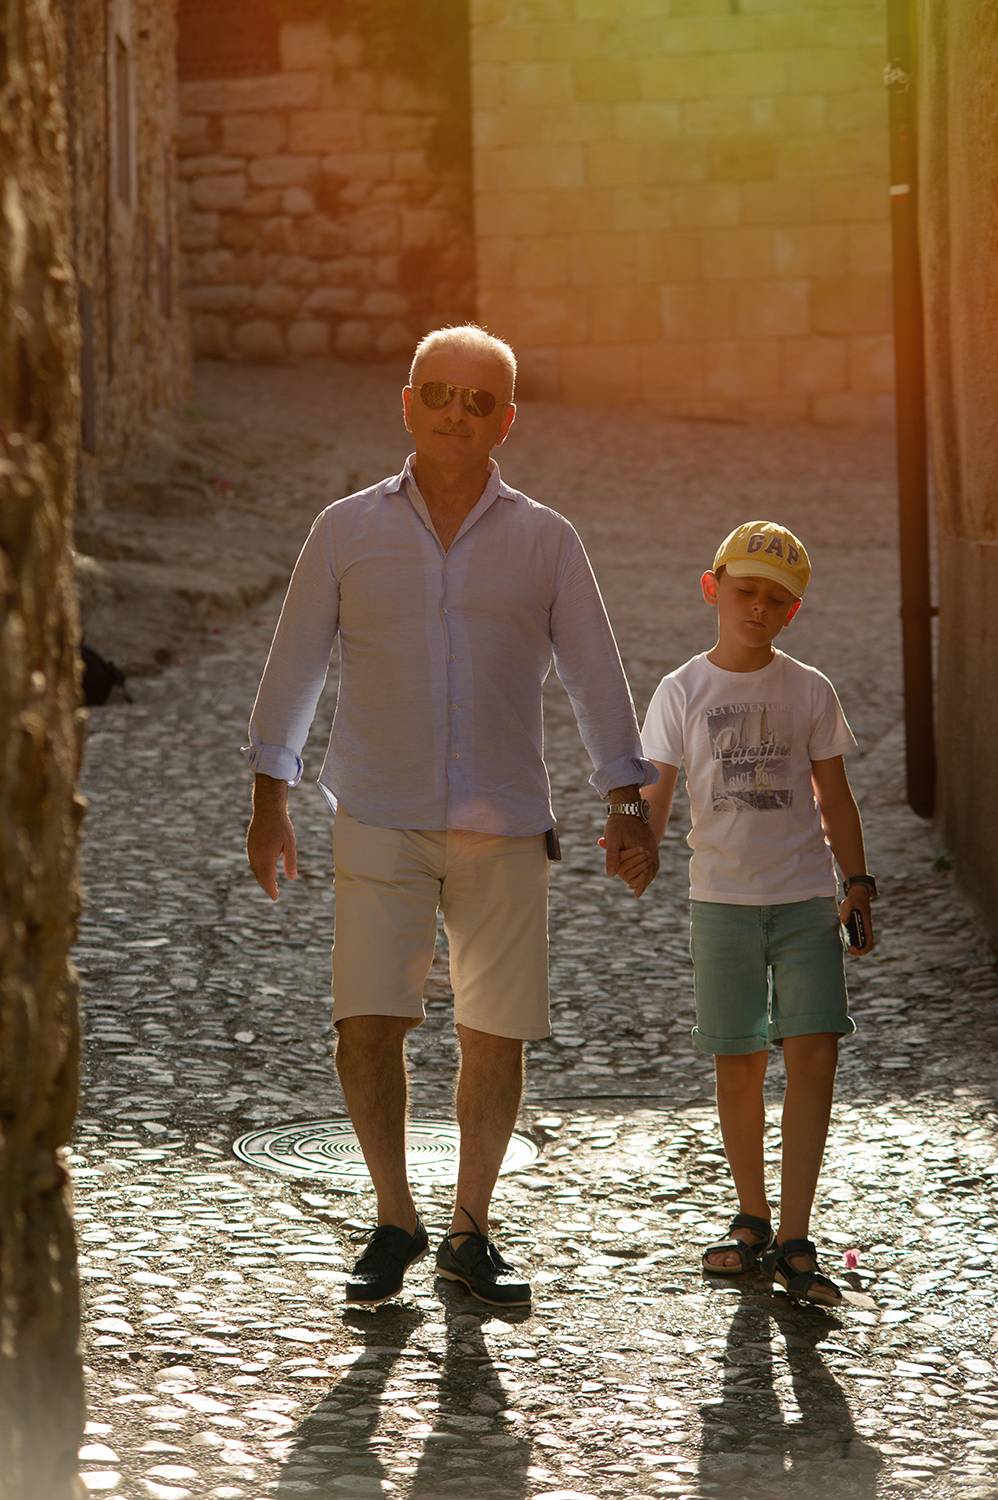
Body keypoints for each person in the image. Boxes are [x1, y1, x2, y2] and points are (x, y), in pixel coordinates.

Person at [243, 324, 659, 1310]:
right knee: (365, 1024)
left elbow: (597, 676)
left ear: (505, 421)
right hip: (377, 812)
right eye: (438, 392)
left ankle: (471, 1229)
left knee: (493, 1032)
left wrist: (625, 803)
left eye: (478, 401)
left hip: (504, 822)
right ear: (407, 403)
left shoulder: (547, 540)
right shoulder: (343, 529)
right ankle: (395, 1217)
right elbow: (295, 664)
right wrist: (269, 800)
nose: (455, 413)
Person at [618, 520, 876, 1306]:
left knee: (814, 1058)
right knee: (737, 1063)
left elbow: (835, 798)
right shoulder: (681, 690)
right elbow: (657, 791)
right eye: (745, 592)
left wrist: (858, 882)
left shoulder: (809, 690)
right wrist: (639, 841)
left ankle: (796, 1234)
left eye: (775, 600)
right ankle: (752, 1217)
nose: (757, 608)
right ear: (713, 590)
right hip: (722, 904)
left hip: (804, 902)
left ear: (793, 612)